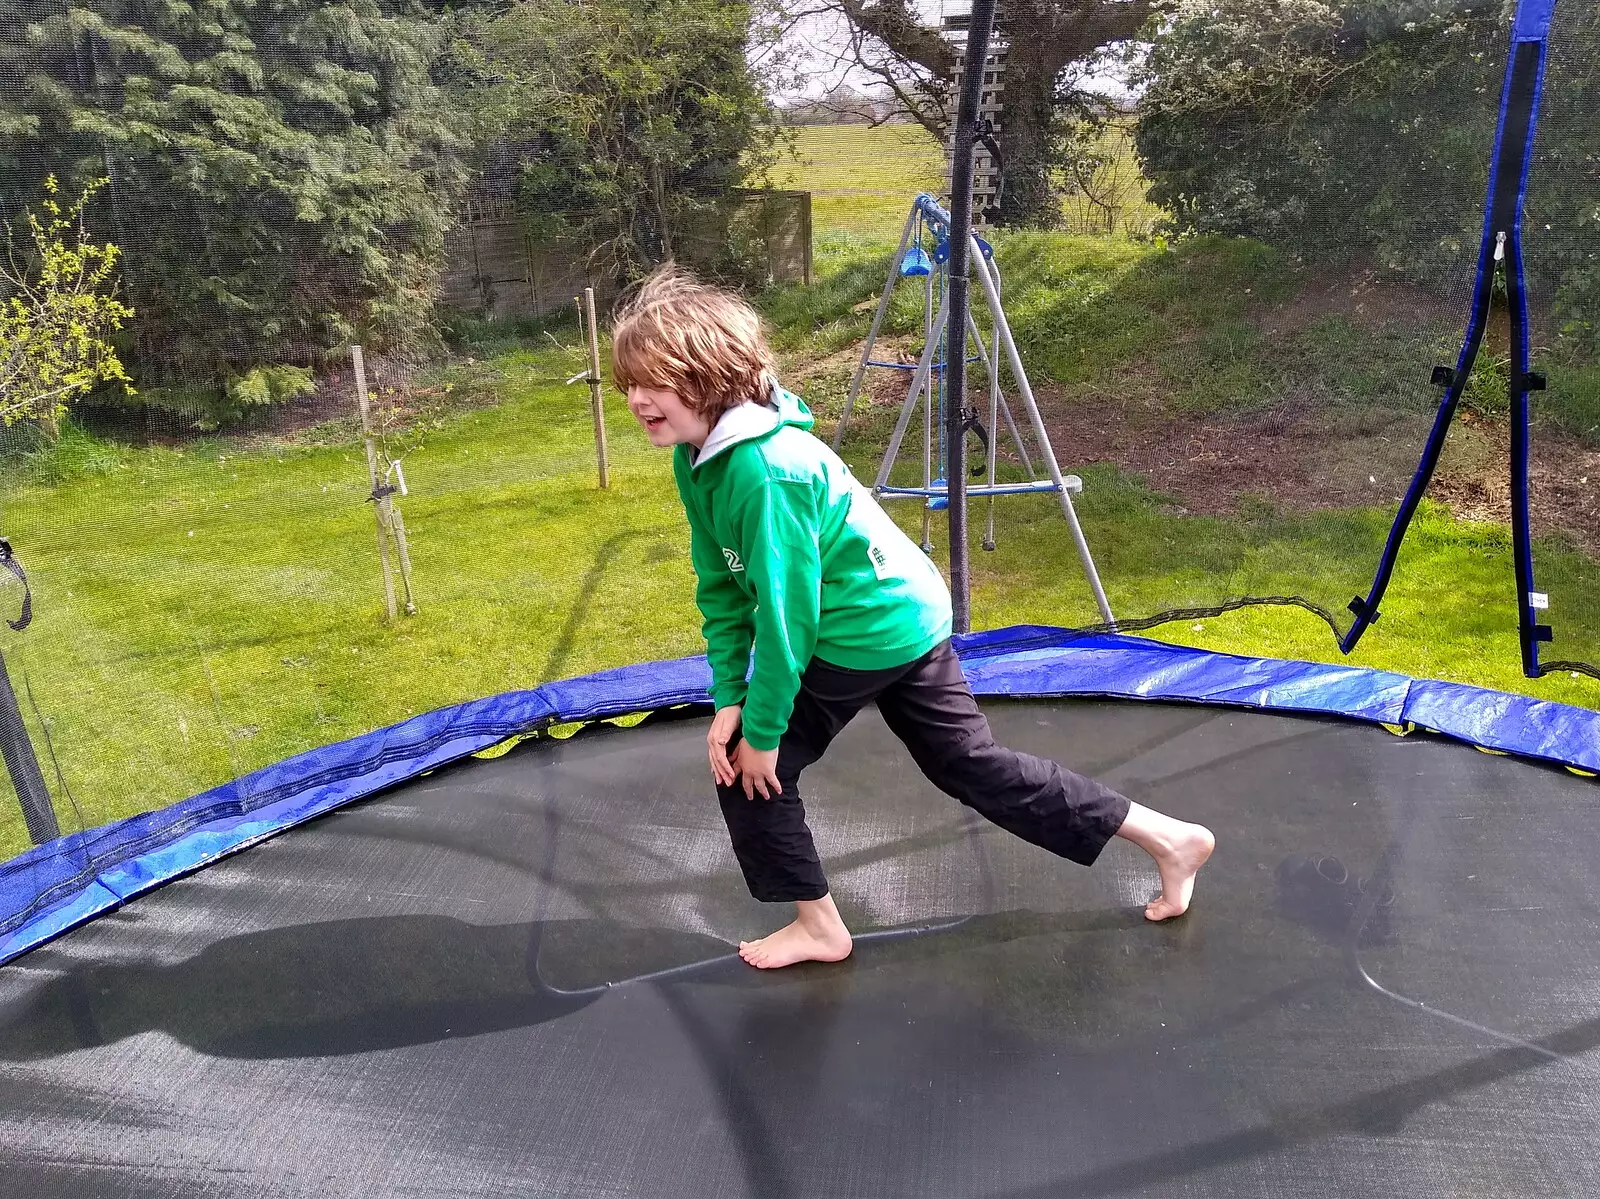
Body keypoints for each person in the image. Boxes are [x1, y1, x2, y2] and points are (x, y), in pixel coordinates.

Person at [611, 265, 1215, 970]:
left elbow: (786, 622)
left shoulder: (762, 471)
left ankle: (819, 927)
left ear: (709, 376)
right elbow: (720, 583)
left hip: (862, 627)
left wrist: (762, 729)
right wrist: (728, 695)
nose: (634, 399)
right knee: (970, 763)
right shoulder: (698, 457)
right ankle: (1170, 838)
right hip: (905, 610)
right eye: (627, 384)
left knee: (749, 771)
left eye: (651, 383)